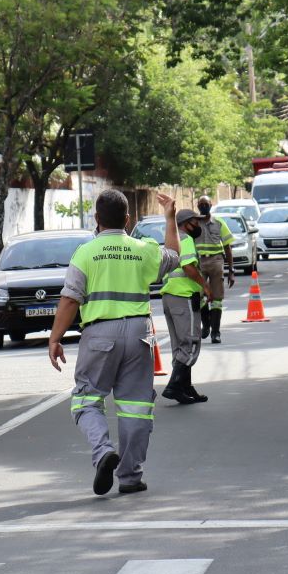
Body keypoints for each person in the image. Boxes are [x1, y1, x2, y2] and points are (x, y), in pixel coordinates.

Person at [49, 190, 181, 496]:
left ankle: (103, 452)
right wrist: (170, 218)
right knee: (135, 408)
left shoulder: (86, 252)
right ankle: (131, 477)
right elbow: (174, 256)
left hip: (99, 335)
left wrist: (55, 338)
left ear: (96, 219)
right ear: (127, 219)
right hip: (139, 335)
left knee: (86, 401)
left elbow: (70, 299)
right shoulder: (143, 249)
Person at [160, 209, 213, 405]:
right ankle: (173, 386)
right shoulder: (186, 240)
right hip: (183, 296)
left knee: (179, 346)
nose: (197, 225)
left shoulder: (171, 240)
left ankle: (185, 387)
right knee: (190, 343)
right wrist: (205, 286)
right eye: (194, 222)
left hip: (169, 297)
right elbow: (189, 267)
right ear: (185, 224)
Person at [193, 196, 235, 343]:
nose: (203, 206)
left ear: (211, 205)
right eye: (201, 204)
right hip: (199, 263)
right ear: (197, 206)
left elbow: (228, 247)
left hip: (216, 261)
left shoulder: (219, 223)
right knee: (200, 297)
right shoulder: (194, 224)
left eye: (206, 204)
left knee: (216, 299)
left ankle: (215, 333)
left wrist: (231, 271)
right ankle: (206, 325)